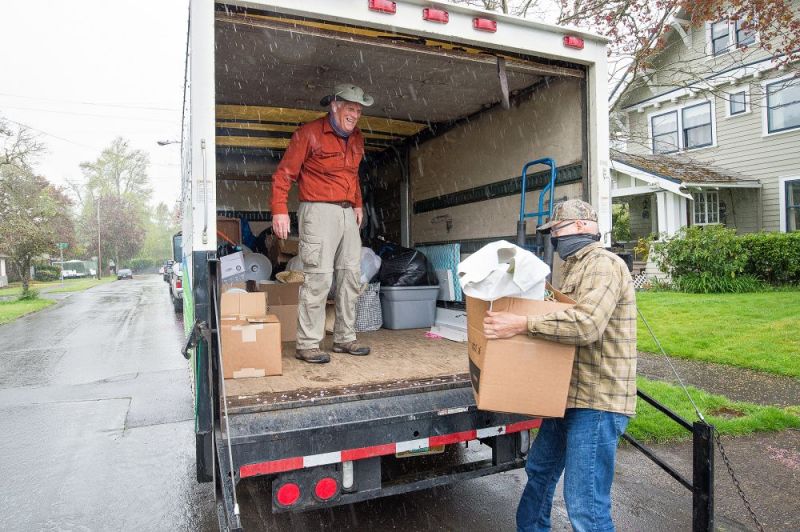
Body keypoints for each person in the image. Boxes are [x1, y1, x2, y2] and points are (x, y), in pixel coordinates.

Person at [482, 199, 637, 532]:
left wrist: (521, 324)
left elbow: (586, 325)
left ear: (582, 225)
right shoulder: (574, 266)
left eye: (557, 230)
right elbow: (560, 316)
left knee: (586, 505)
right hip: (566, 395)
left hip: (597, 400)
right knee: (540, 471)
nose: (554, 237)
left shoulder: (602, 264)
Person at [271, 83, 373, 364]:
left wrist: (358, 203)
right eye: (350, 108)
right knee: (319, 278)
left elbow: (352, 176)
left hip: (347, 211)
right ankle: (307, 344)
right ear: (335, 106)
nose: (355, 114)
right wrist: (279, 209)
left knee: (351, 275)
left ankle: (344, 338)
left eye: (359, 110)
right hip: (317, 211)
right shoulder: (309, 133)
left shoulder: (357, 138)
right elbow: (284, 174)